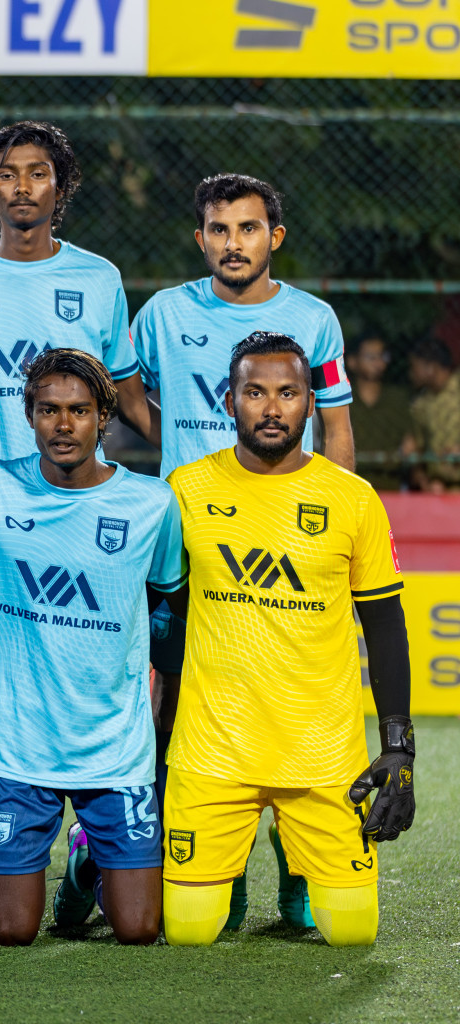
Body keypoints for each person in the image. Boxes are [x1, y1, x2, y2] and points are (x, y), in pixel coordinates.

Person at [0, 121, 149, 866]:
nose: (22, 187)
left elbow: (126, 391)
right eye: (7, 175)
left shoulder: (99, 279)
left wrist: (193, 457)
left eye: (38, 173)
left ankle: (103, 832)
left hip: (83, 514)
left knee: (95, 675)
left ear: (62, 186)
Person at [130, 173, 357, 929]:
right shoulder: (163, 313)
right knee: (179, 718)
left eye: (249, 229)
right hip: (190, 550)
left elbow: (337, 423)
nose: (234, 244)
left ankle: (297, 879)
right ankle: (208, 873)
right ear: (201, 239)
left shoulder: (314, 320)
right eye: (220, 230)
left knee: (296, 716)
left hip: (291, 553)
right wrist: (167, 443)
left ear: (274, 238)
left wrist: (344, 525)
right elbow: (125, 390)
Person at [163, 331, 414, 947]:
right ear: (229, 401)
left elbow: (384, 623)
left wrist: (399, 747)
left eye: (287, 393)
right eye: (254, 392)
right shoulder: (185, 490)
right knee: (190, 934)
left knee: (352, 935)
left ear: (309, 402)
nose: (271, 408)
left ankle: (289, 865)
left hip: (323, 754)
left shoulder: (353, 499)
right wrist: (154, 740)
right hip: (213, 752)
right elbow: (161, 621)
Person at [0, 349, 185, 945]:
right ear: (29, 416)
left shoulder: (152, 504)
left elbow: (171, 601)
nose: (64, 425)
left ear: (103, 418)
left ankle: (85, 863)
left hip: (113, 745)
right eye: (49, 410)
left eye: (79, 410)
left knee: (139, 929)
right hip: (17, 742)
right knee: (11, 931)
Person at [346, 336, 410, 491]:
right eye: (371, 357)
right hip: (351, 486)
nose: (378, 362)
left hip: (390, 485)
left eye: (382, 356)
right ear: (352, 361)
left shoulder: (398, 398)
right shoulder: (341, 399)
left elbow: (411, 442)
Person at [405, 338, 460, 493]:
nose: (411, 373)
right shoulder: (420, 405)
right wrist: (424, 482)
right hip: (437, 488)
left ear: (430, 367)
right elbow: (417, 448)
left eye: (414, 367)